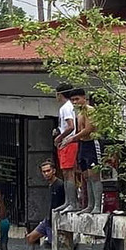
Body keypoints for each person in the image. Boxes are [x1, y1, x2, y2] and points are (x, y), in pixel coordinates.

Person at [66, 88, 103, 214]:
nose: (75, 102)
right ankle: (90, 204)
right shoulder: (79, 113)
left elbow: (88, 129)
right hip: (83, 144)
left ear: (84, 98)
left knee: (94, 175)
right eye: (73, 100)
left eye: (77, 99)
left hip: (92, 143)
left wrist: (72, 138)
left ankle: (97, 205)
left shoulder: (90, 111)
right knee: (86, 175)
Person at [25, 160, 66, 250]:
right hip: (48, 219)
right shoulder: (51, 185)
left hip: (56, 219)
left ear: (54, 171)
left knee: (54, 244)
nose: (46, 174)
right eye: (44, 172)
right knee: (30, 237)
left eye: (48, 171)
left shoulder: (60, 185)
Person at [54, 83, 79, 213]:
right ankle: (68, 201)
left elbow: (70, 126)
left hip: (68, 142)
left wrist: (60, 137)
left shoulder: (66, 107)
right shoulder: (66, 107)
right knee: (65, 173)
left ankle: (72, 202)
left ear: (60, 94)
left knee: (69, 173)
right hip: (66, 142)